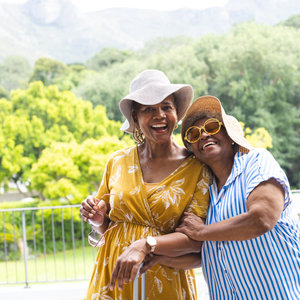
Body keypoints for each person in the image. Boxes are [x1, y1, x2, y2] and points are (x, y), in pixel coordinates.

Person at [80, 70, 211, 300]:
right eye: (149, 109)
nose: (159, 115)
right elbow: (105, 228)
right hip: (113, 277)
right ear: (135, 116)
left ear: (176, 113)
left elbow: (195, 239)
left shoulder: (196, 168)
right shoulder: (117, 162)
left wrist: (146, 245)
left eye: (166, 107)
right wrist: (98, 219)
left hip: (165, 279)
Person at [175, 95, 300, 299]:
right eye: (194, 134)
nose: (203, 135)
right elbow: (202, 253)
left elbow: (262, 218)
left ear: (229, 135)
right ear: (193, 151)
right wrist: (153, 255)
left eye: (211, 127)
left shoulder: (256, 162)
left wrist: (202, 231)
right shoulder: (205, 191)